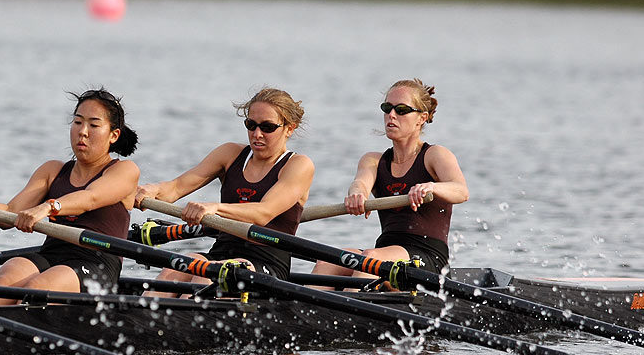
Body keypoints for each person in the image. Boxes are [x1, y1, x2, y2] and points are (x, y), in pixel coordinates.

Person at [133, 87, 314, 296]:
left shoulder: (299, 165)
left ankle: (183, 319)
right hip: (221, 255)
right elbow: (175, 188)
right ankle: (145, 313)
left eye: (267, 127)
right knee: (183, 263)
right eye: (251, 125)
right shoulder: (229, 154)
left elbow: (263, 213)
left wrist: (215, 208)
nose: (257, 134)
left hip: (265, 265)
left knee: (210, 273)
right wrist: (150, 190)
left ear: (289, 128)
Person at [0, 88, 139, 306]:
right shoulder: (52, 171)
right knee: (7, 278)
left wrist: (48, 207)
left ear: (114, 135)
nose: (83, 132)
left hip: (96, 264)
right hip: (52, 254)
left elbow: (90, 198)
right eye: (78, 122)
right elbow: (9, 215)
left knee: (37, 288)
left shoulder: (125, 170)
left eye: (94, 125)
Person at [311, 78, 468, 284]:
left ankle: (352, 311)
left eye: (401, 110)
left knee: (369, 259)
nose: (391, 115)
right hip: (384, 252)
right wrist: (357, 194)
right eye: (387, 108)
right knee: (329, 260)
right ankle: (301, 314)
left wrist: (432, 187)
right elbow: (360, 183)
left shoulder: (435, 155)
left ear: (422, 118)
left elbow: (461, 191)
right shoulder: (374, 160)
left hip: (426, 260)